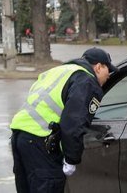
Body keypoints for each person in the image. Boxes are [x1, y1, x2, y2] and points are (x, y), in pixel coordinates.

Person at [10, 47, 118, 192]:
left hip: (19, 136)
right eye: (108, 70)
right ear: (98, 67)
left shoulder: (59, 71)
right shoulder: (87, 81)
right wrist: (71, 159)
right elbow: (74, 122)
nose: (109, 75)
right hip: (41, 141)